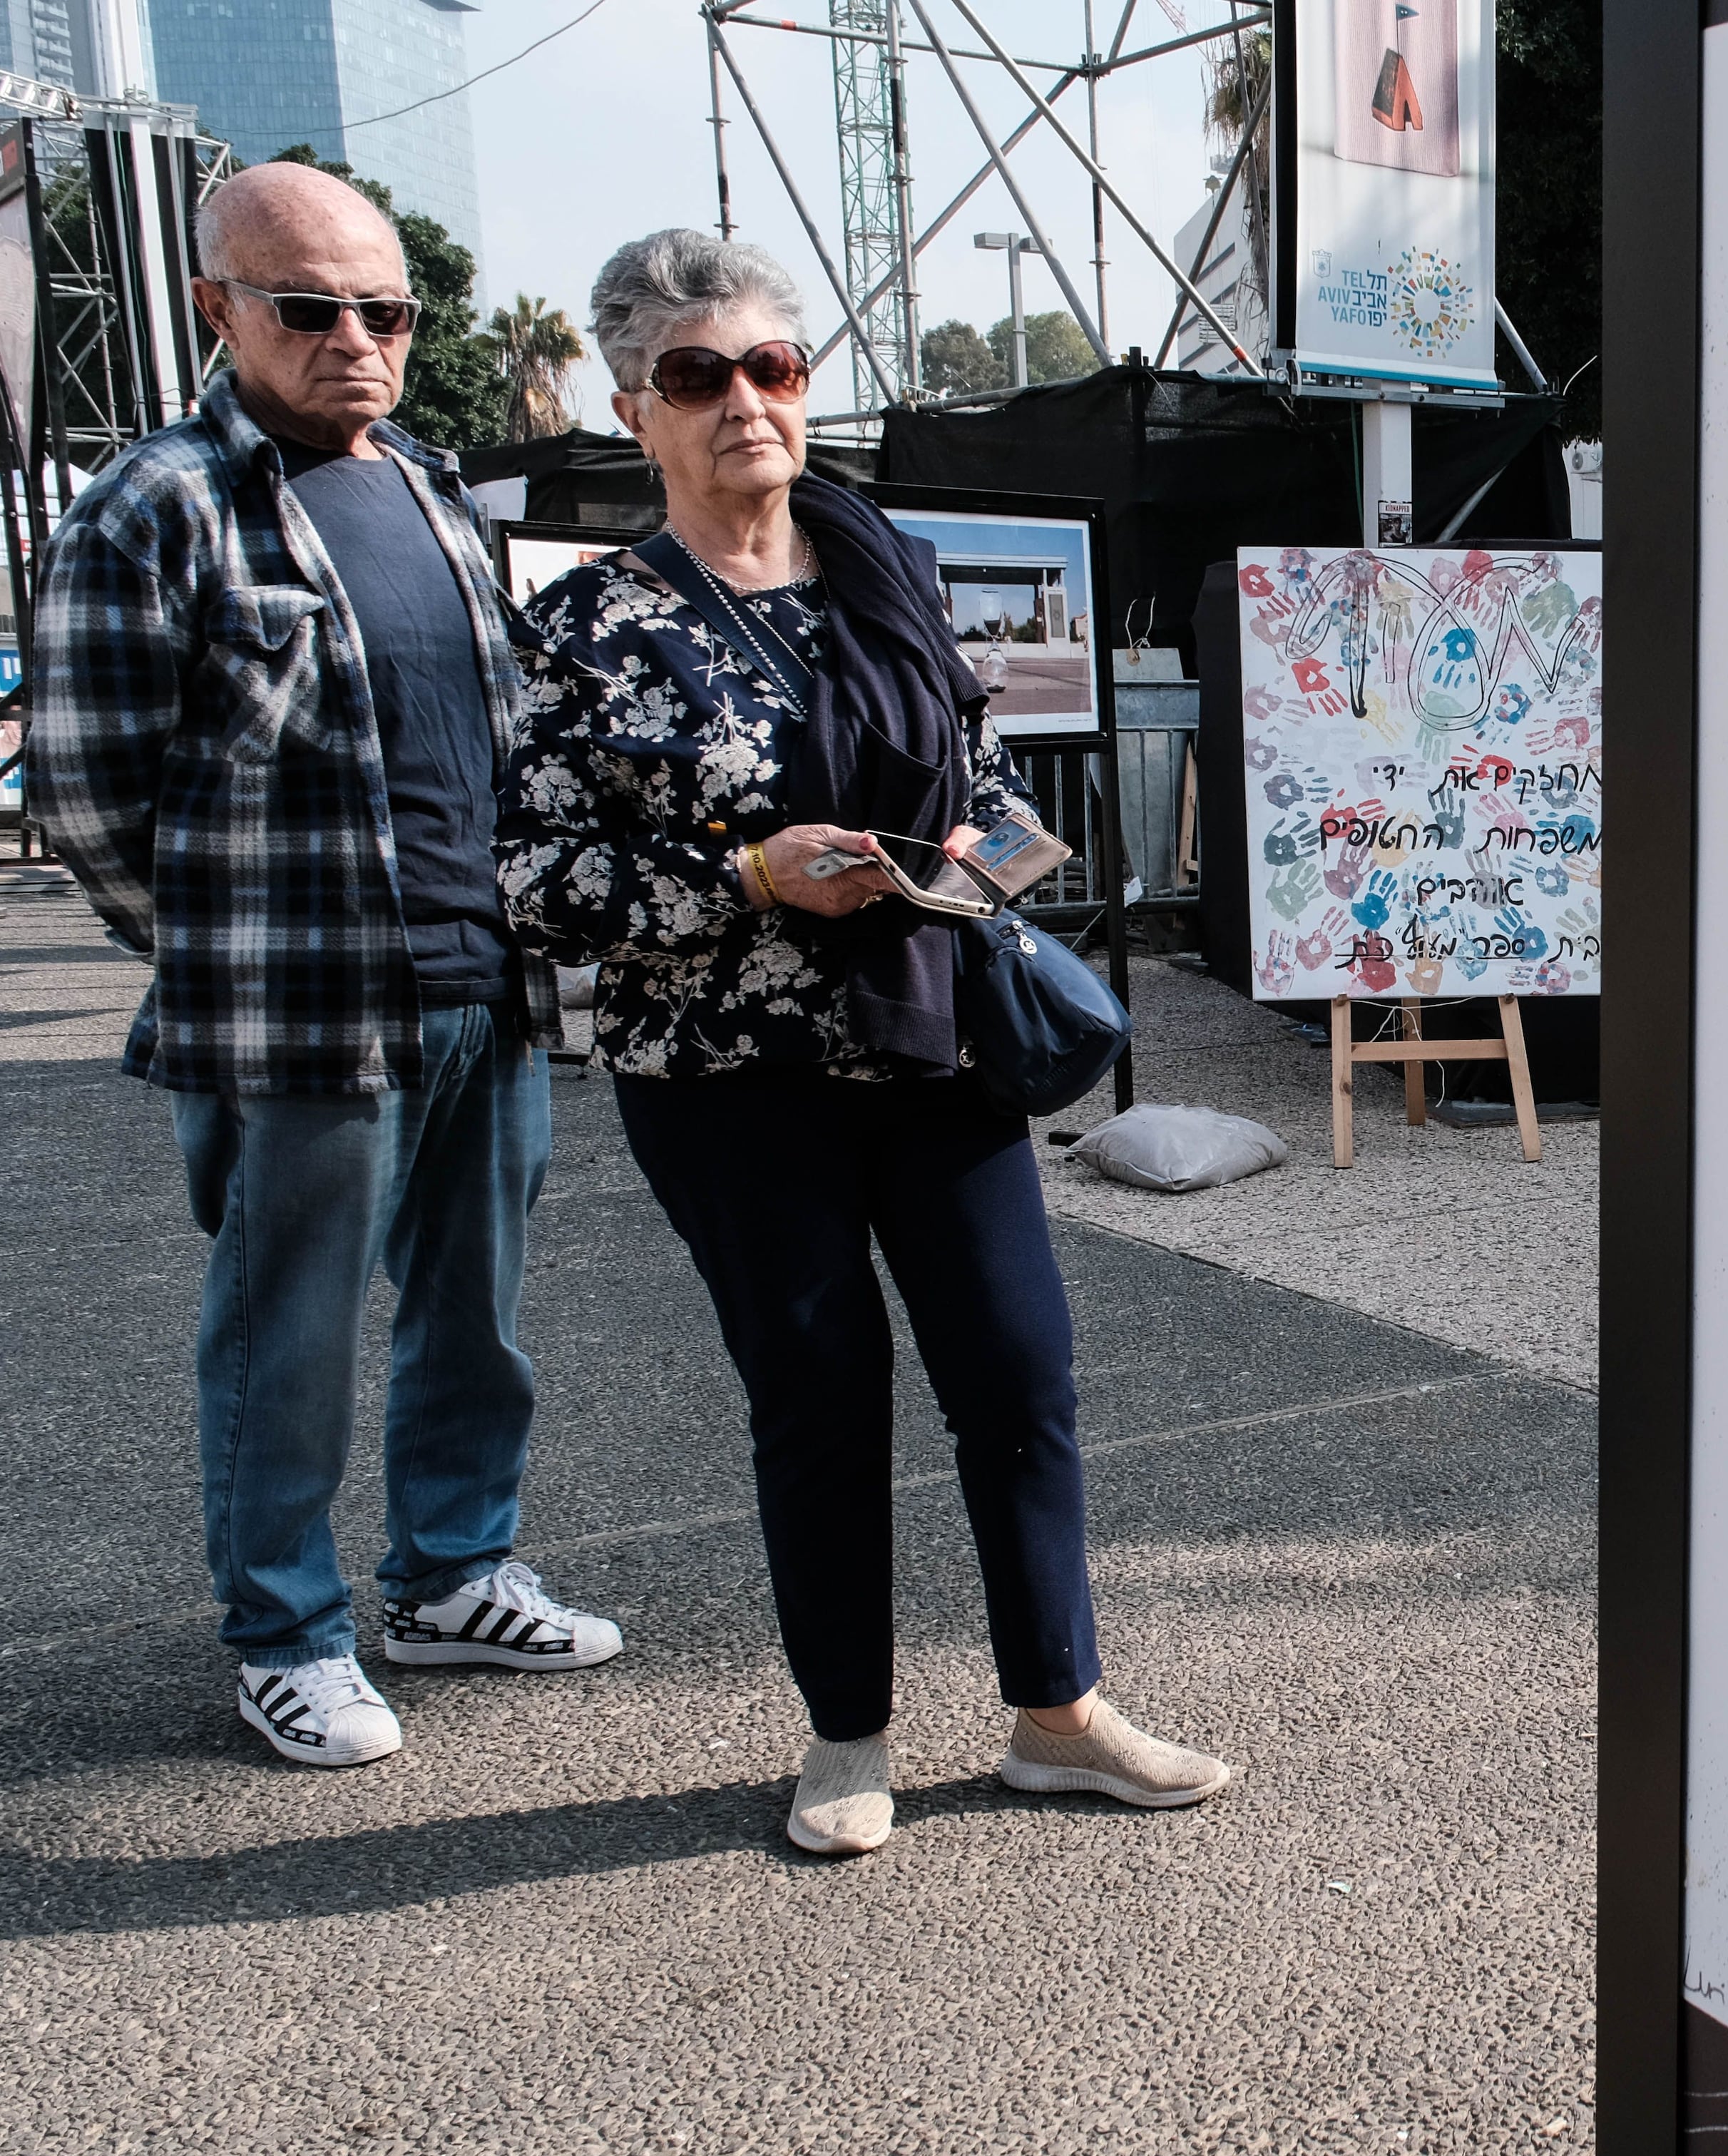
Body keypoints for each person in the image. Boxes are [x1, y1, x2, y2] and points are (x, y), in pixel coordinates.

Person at [496, 230, 1227, 1856]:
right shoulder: (591, 627)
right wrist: (746, 874)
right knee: (819, 1398)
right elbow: (537, 877)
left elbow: (996, 787)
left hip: (935, 1042)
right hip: (730, 1081)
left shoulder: (884, 569)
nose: (744, 401)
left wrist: (978, 856)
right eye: (698, 375)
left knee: (1021, 1376)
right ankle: (846, 1733)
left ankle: (1058, 1710)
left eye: (771, 367)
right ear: (637, 408)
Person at [30, 161, 622, 1771]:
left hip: (483, 990)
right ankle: (286, 1630)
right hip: (298, 1007)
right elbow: (82, 791)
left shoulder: (426, 484)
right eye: (310, 307)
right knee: (284, 1332)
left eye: (387, 309)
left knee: (472, 1315)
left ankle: (452, 1572)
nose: (355, 337)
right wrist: (224, 949)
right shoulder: (157, 503)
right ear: (217, 309)